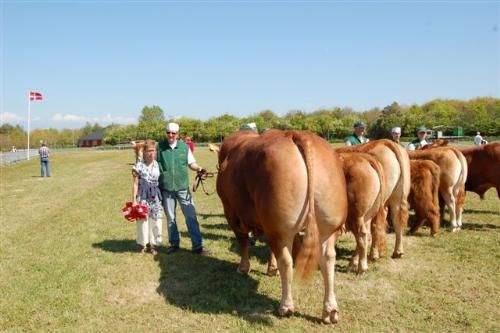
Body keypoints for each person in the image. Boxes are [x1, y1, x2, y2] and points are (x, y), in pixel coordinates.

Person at [157, 122, 208, 254]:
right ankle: (174, 244)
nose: (170, 135)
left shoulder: (184, 147)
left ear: (178, 134)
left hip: (182, 188)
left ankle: (197, 246)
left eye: (173, 133)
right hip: (167, 188)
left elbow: (192, 163)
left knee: (191, 217)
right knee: (170, 218)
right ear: (166, 133)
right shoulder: (160, 147)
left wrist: (199, 168)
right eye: (168, 132)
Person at [132, 139, 163, 255]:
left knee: (156, 221)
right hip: (143, 196)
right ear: (144, 152)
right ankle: (143, 245)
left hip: (155, 197)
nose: (151, 153)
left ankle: (154, 245)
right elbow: (135, 184)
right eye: (149, 151)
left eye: (153, 151)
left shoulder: (158, 165)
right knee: (142, 221)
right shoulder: (138, 166)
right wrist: (134, 200)